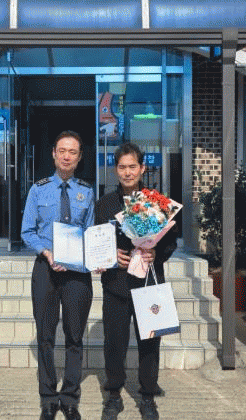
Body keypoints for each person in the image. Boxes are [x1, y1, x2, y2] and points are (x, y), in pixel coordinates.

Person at [96, 142, 178, 420]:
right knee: (114, 342)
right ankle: (113, 395)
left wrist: (157, 253)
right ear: (115, 170)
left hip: (148, 283)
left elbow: (171, 243)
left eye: (133, 166)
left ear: (142, 168)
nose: (127, 172)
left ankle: (147, 396)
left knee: (150, 342)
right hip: (116, 284)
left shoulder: (157, 202)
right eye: (122, 167)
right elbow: (96, 242)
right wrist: (111, 257)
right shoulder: (105, 204)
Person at [21, 130, 95, 420]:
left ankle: (70, 397)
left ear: (79, 157)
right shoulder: (38, 190)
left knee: (75, 336)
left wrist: (96, 257)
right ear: (53, 153)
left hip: (77, 271)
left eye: (72, 152)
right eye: (62, 151)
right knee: (45, 336)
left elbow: (90, 233)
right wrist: (47, 252)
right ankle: (49, 398)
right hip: (46, 268)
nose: (66, 156)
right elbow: (27, 231)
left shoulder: (87, 191)